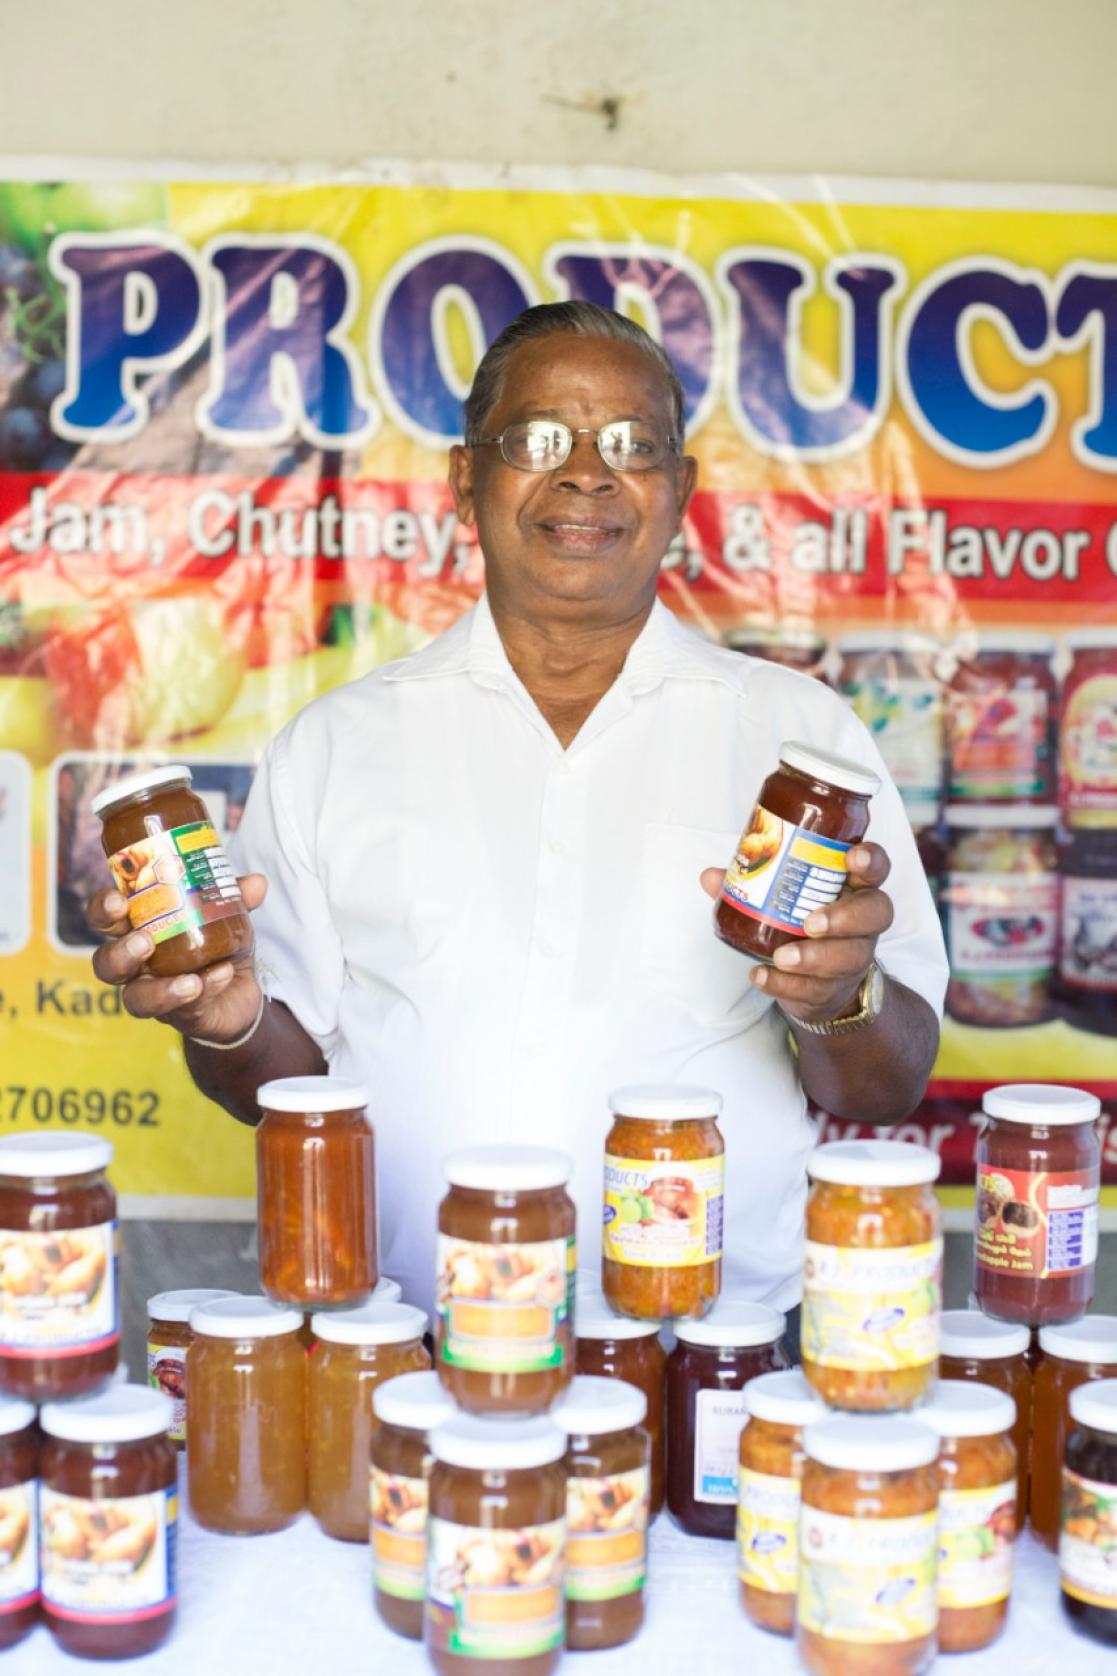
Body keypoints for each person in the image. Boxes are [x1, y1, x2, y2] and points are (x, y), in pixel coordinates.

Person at [88, 302, 947, 1328]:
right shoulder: (336, 743)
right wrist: (222, 1026)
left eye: (629, 445)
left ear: (678, 490)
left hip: (707, 1346)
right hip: (401, 1338)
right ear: (465, 478)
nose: (585, 473)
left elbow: (887, 1084)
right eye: (541, 439)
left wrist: (837, 992)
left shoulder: (797, 737)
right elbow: (279, 1080)